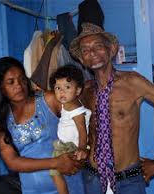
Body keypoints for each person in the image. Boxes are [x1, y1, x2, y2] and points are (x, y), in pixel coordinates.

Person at [69, 22, 154, 194]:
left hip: (129, 180)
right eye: (85, 50)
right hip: (93, 177)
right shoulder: (85, 91)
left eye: (98, 46)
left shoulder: (133, 82)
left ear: (111, 50)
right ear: (82, 60)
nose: (92, 53)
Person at [0, 57, 84, 194]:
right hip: (33, 189)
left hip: (68, 185)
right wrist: (55, 162)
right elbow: (12, 161)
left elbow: (82, 121)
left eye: (22, 79)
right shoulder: (2, 118)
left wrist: (82, 151)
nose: (19, 85)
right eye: (11, 82)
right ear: (0, 87)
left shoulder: (49, 99)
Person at [49, 64, 92, 194]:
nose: (62, 92)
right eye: (58, 88)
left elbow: (82, 131)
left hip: (70, 146)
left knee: (54, 172)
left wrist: (82, 148)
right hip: (65, 145)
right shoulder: (65, 104)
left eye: (67, 87)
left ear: (78, 91)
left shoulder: (76, 110)